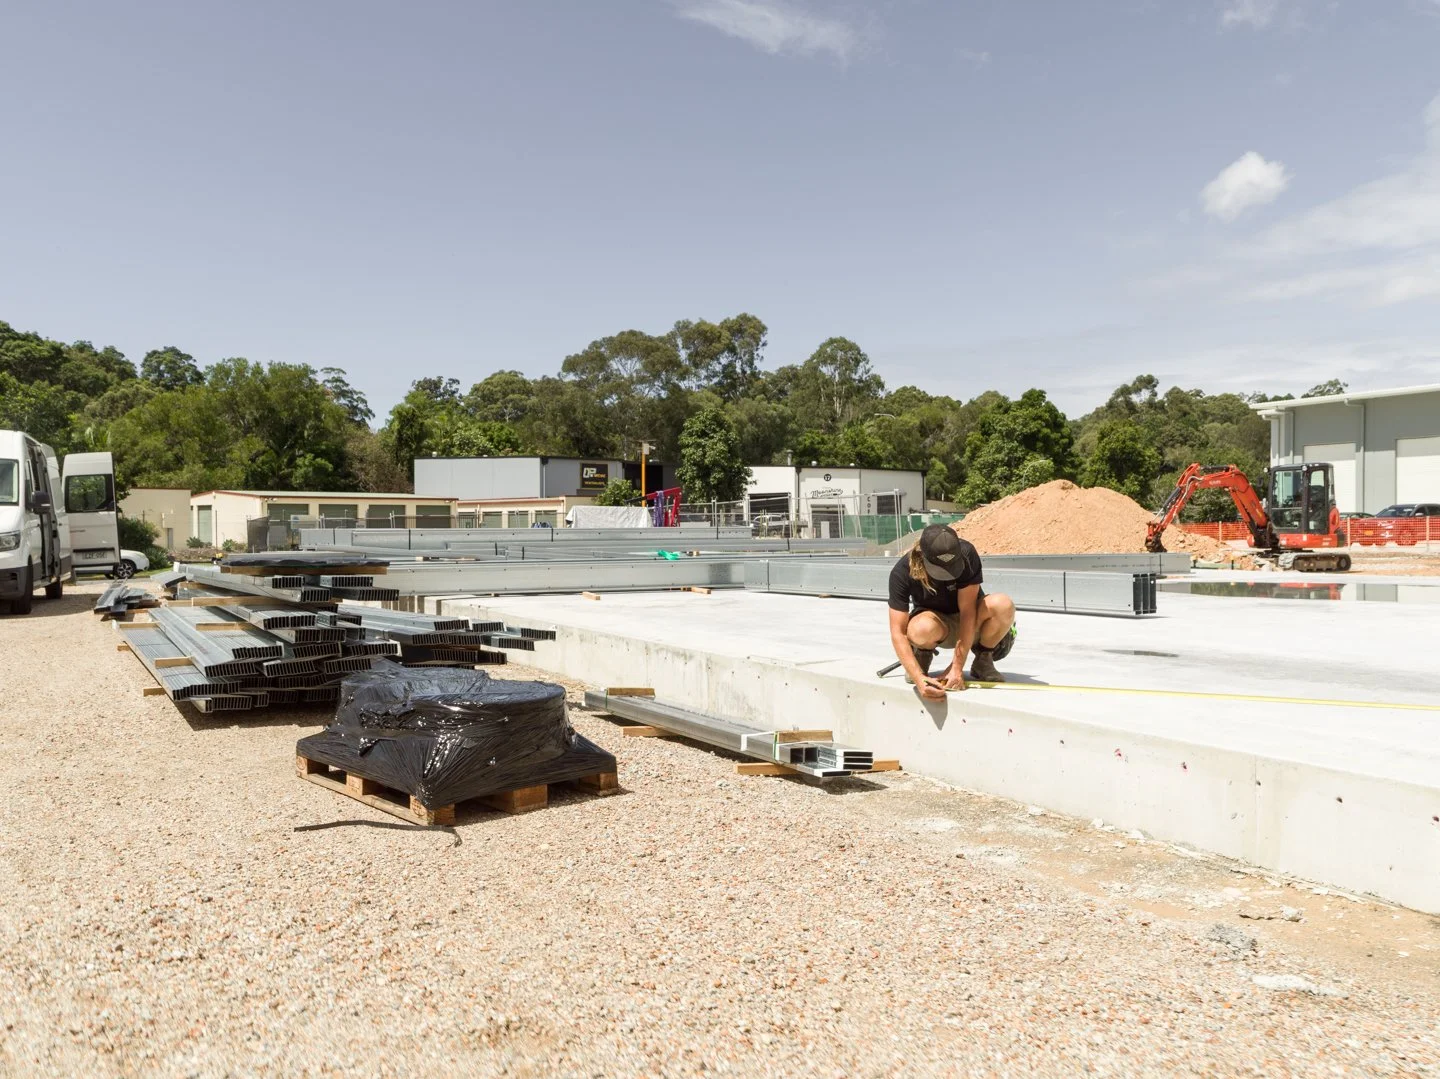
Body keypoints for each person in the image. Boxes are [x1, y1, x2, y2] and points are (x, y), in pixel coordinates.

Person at [887, 524, 1017, 701]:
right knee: (920, 628)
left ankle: (983, 659)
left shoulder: (968, 554)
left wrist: (956, 667)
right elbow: (898, 633)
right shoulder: (902, 572)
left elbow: (968, 613)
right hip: (936, 625)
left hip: (970, 623)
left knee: (1002, 604)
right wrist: (918, 679)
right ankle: (922, 657)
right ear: (922, 555)